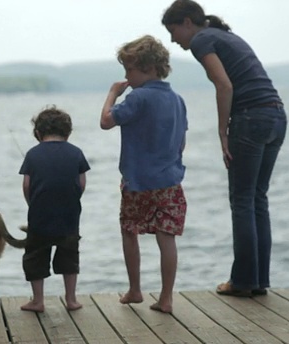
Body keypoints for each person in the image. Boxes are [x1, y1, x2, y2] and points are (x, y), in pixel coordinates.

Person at [162, 0, 287, 297]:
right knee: (257, 199)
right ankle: (257, 281)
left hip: (250, 118)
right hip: (276, 116)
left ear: (188, 23)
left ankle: (243, 281)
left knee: (243, 200)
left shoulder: (202, 40)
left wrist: (222, 132)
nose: (172, 39)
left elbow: (225, 86)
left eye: (173, 30)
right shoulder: (225, 35)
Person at [100, 35, 188, 313]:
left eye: (129, 70)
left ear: (148, 68)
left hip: (137, 182)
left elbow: (106, 122)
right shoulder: (177, 100)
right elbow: (182, 141)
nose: (126, 76)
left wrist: (113, 94)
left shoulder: (137, 97)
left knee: (129, 231)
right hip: (170, 181)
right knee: (167, 237)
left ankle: (135, 289)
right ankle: (166, 298)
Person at [19, 106, 90, 313]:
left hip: (39, 215)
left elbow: (26, 185)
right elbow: (82, 183)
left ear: (38, 133)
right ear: (68, 133)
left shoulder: (32, 154)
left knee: (35, 258)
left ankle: (38, 301)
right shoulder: (76, 152)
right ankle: (71, 299)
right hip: (69, 216)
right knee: (69, 257)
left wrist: (32, 203)